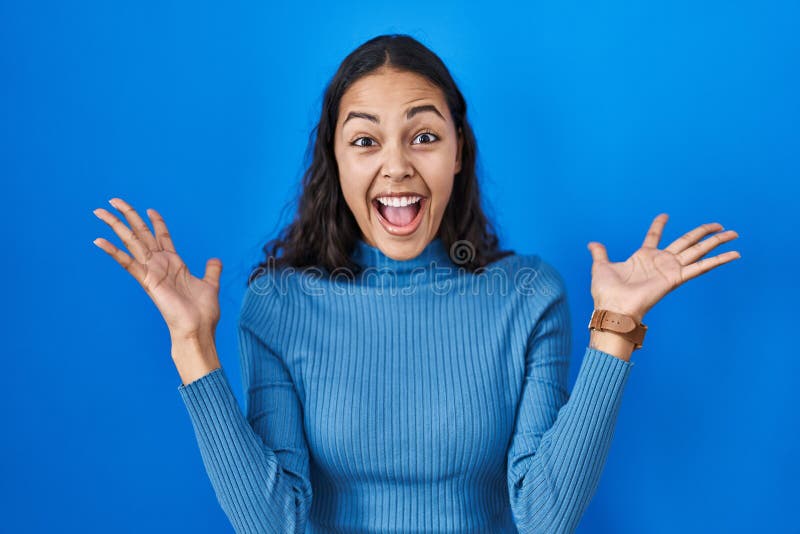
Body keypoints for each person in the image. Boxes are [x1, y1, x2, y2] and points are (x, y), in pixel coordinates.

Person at [92, 34, 741, 534]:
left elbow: (543, 518)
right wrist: (191, 346)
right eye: (366, 141)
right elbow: (274, 524)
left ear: (458, 150)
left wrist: (614, 335)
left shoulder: (528, 297)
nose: (397, 166)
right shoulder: (278, 305)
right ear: (336, 159)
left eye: (424, 136)